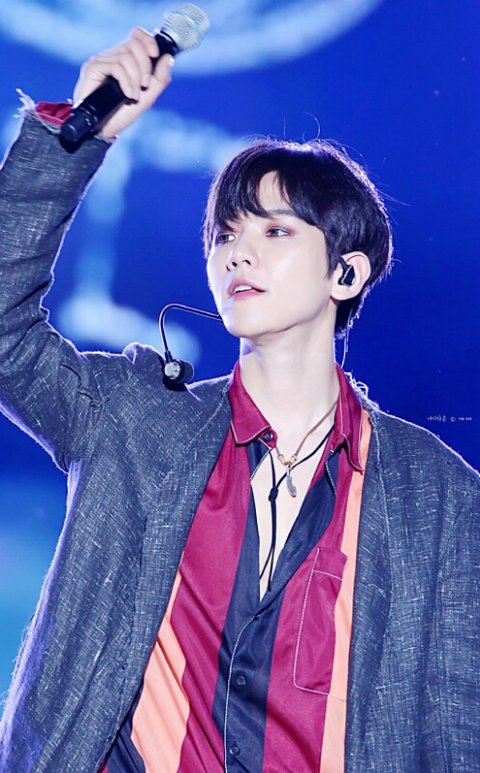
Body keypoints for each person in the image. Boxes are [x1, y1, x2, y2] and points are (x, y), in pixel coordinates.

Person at [0, 28, 479, 773]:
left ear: (346, 274)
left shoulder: (435, 493)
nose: (238, 252)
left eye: (276, 230)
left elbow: (457, 727)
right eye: (225, 235)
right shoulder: (134, 423)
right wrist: (73, 137)